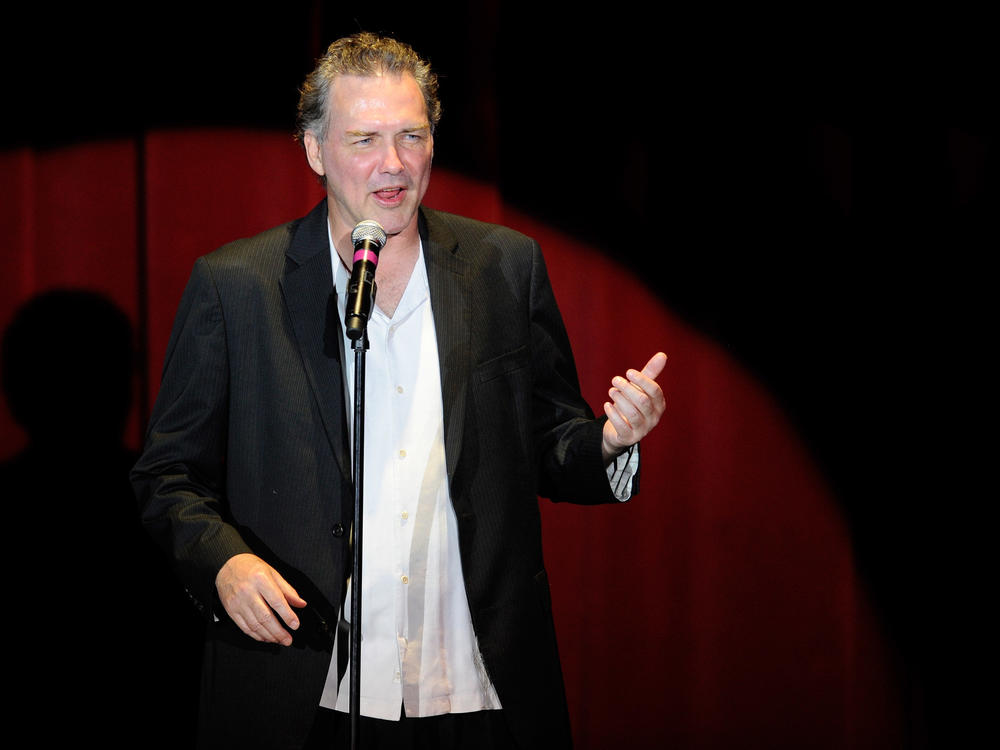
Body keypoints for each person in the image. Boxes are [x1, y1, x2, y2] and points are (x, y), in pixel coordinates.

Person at [131, 32, 666, 750]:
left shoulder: (503, 268)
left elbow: (548, 439)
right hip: (305, 689)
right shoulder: (237, 287)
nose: (393, 164)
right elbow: (168, 474)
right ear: (315, 150)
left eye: (412, 135)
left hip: (476, 685)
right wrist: (224, 561)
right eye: (365, 140)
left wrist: (608, 441)